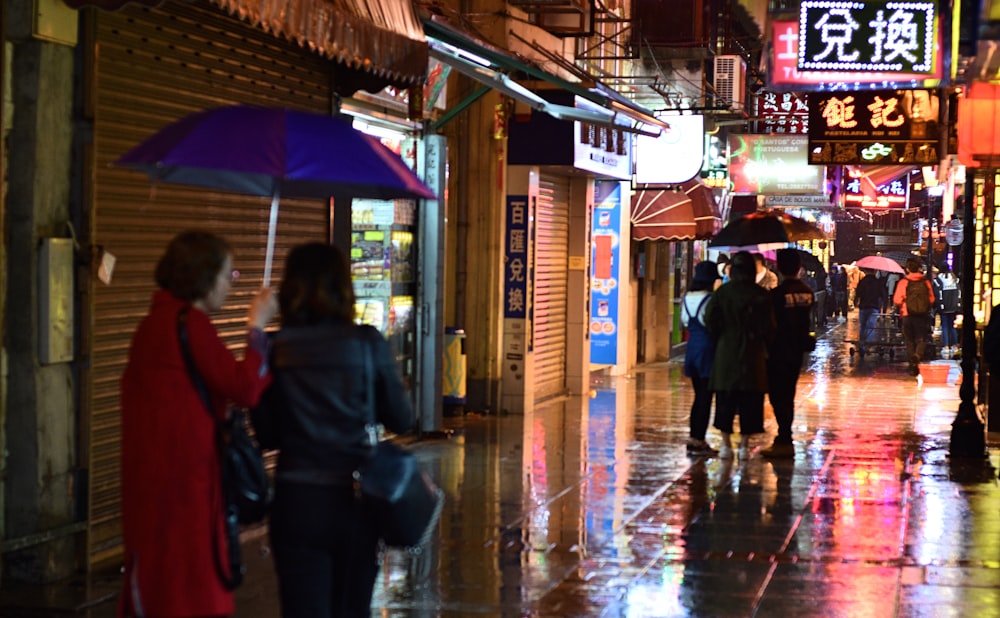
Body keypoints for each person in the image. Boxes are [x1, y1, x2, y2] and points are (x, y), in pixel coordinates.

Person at [119, 230, 278, 618]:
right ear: (204, 278)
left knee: (160, 579)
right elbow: (245, 388)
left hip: (152, 483)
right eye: (229, 274)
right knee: (189, 586)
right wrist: (257, 328)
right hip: (186, 486)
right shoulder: (190, 325)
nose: (230, 283)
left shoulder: (154, 324)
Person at [255, 242, 415, 617]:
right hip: (356, 502)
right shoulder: (366, 343)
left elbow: (267, 434)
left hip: (296, 502)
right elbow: (402, 419)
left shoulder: (273, 348)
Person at [705, 251, 776, 459]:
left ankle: (726, 445)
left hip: (726, 352)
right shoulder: (762, 295)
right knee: (751, 400)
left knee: (725, 399)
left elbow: (710, 321)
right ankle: (745, 446)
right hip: (753, 354)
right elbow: (770, 328)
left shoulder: (723, 293)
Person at [762, 249, 815, 459]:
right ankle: (785, 435)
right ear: (799, 267)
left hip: (778, 348)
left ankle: (784, 436)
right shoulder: (808, 292)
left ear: (779, 268)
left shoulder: (777, 294)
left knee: (777, 394)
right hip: (797, 349)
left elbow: (769, 323)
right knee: (789, 392)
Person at [680, 261, 722, 456]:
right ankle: (698, 439)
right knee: (705, 397)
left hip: (692, 349)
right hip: (708, 350)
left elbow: (685, 322)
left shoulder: (687, 298)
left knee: (698, 396)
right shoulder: (711, 300)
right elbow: (716, 325)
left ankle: (694, 436)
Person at [893, 258, 935, 377]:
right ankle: (918, 355)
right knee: (921, 339)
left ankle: (912, 365)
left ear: (907, 269)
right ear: (919, 268)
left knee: (909, 341)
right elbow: (932, 299)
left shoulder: (904, 282)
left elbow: (897, 300)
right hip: (922, 315)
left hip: (907, 315)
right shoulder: (925, 282)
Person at [854, 268, 888, 357]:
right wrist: (883, 306)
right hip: (874, 307)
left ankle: (862, 343)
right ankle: (869, 345)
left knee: (863, 326)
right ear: (874, 271)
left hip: (863, 306)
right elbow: (882, 295)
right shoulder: (878, 282)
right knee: (871, 326)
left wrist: (856, 302)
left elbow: (858, 294)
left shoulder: (862, 281)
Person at [936, 271, 960, 358]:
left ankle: (946, 346)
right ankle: (955, 345)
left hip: (944, 307)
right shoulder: (954, 279)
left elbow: (937, 293)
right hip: (953, 307)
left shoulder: (939, 279)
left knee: (945, 327)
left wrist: (938, 306)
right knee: (953, 326)